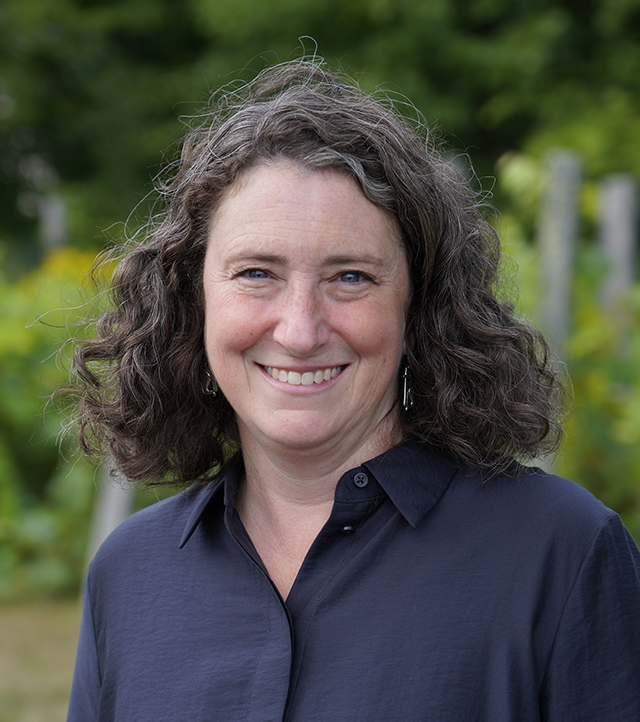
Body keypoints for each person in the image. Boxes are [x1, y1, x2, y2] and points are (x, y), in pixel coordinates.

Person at [66, 59, 640, 722]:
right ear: (192, 302)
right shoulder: (130, 574)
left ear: (417, 307)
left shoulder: (561, 554)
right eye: (257, 273)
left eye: (351, 278)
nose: (301, 329)